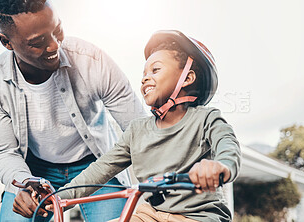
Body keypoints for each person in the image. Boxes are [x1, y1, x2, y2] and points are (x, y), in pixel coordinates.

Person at [43, 30, 242, 222]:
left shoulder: (205, 119)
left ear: (187, 78)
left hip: (199, 216)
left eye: (155, 70)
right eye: (144, 73)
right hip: (150, 214)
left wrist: (220, 165)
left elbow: (227, 144)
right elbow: (101, 168)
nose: (145, 78)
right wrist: (59, 197)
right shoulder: (137, 131)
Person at [0, 0, 145, 221]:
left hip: (97, 163)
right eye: (38, 42)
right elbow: (3, 151)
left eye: (57, 30)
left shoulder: (92, 61)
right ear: (7, 42)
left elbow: (140, 129)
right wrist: (23, 183)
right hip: (34, 171)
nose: (55, 46)